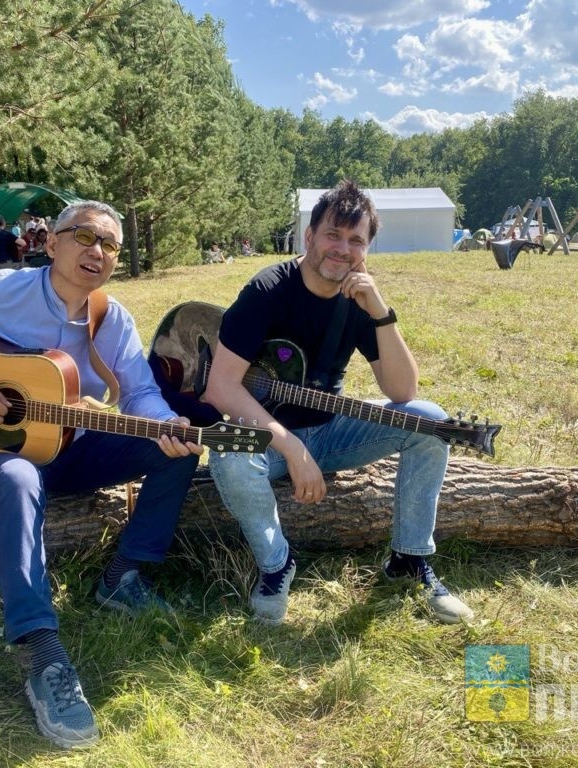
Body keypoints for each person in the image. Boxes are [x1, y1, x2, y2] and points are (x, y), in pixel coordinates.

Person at [0, 200, 203, 750]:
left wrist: (167, 424)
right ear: (52, 243)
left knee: (179, 451)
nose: (97, 251)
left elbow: (140, 391)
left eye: (110, 244)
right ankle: (42, 651)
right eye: (84, 236)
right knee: (20, 479)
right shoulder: (3, 287)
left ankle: (124, 577)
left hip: (73, 444)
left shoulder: (109, 317)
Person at [201, 180, 474, 627]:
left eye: (355, 240)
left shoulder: (359, 299)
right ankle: (276, 565)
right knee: (227, 454)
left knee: (432, 422)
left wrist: (380, 310)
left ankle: (408, 558)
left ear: (366, 250)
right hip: (268, 438)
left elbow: (403, 393)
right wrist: (292, 448)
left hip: (333, 431)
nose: (342, 249)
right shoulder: (268, 289)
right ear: (309, 237)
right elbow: (222, 387)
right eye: (332, 234)